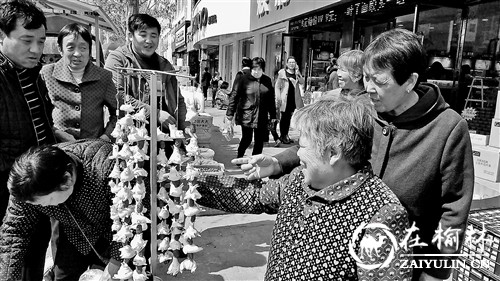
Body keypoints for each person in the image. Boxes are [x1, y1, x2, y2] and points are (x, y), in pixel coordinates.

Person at [235, 29, 474, 281]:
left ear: (410, 81)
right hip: (343, 246)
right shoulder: (364, 110)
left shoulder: (447, 128)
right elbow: (322, 143)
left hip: (400, 259)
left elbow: (454, 211)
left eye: (380, 82)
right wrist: (276, 163)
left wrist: (435, 272)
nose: (369, 88)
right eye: (367, 78)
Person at [197, 97, 412, 280]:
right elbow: (253, 196)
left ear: (333, 153)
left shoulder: (381, 213)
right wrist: (191, 184)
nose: (297, 154)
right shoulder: (299, 181)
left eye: (303, 146)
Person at [0, 140, 127, 280]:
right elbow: (13, 233)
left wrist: (115, 262)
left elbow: (129, 220)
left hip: (115, 232)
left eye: (47, 202)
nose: (43, 207)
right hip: (73, 233)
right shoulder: (26, 184)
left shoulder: (108, 168)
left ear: (67, 180)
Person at [0, 1, 56, 279]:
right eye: (26, 40)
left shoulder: (35, 74)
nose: (36, 49)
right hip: (8, 194)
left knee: (35, 255)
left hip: (37, 188)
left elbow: (36, 122)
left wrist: (54, 136)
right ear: (3, 36)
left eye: (41, 41)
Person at [105, 14, 189, 134]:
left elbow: (178, 99)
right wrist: (155, 113)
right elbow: (117, 95)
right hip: (129, 133)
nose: (149, 41)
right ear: (130, 36)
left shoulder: (164, 65)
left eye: (153, 35)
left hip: (163, 135)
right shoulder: (118, 59)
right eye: (143, 35)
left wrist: (184, 127)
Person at [41, 23, 118, 142]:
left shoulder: (103, 76)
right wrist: (56, 132)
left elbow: (118, 111)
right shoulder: (47, 74)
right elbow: (39, 113)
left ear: (89, 50)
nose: (77, 54)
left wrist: (105, 138)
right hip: (57, 146)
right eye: (70, 47)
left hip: (92, 150)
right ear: (60, 49)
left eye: (83, 48)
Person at [226, 57, 277, 158]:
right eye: (254, 69)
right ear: (250, 69)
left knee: (259, 139)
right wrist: (230, 113)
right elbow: (234, 96)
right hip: (247, 115)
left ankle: (255, 160)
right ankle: (240, 156)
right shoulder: (243, 79)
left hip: (262, 115)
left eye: (259, 69)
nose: (257, 72)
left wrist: (273, 115)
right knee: (247, 138)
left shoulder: (267, 80)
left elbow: (271, 99)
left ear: (263, 69)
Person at [274, 56, 304, 145]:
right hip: (284, 98)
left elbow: (302, 82)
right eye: (290, 62)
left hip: (293, 98)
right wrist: (278, 98)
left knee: (288, 117)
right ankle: (283, 135)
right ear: (287, 64)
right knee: (284, 118)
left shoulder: (296, 73)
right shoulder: (282, 73)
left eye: (293, 62)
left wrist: (298, 73)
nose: (292, 64)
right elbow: (277, 86)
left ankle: (285, 135)